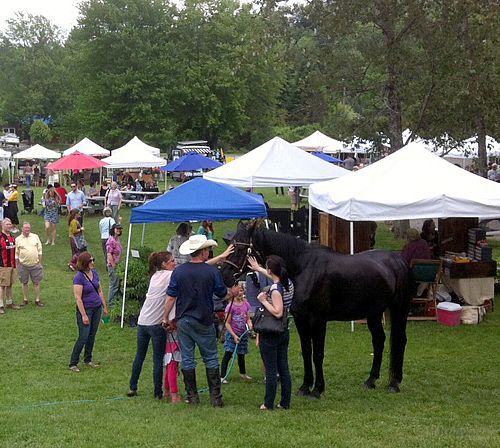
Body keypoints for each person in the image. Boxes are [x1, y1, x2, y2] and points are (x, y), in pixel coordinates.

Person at [162, 235, 228, 407]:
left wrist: (165, 317)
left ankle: (192, 397)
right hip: (204, 319)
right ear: (203, 252)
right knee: (211, 357)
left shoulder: (179, 271)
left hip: (184, 320)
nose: (209, 252)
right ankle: (216, 398)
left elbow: (170, 297)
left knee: (188, 358)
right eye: (208, 250)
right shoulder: (212, 272)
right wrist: (233, 292)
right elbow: (221, 293)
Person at [127, 251, 176, 400]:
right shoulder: (169, 275)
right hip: (155, 324)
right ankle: (157, 393)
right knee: (157, 359)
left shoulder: (155, 276)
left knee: (139, 356)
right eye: (172, 261)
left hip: (143, 322)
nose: (175, 263)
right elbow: (192, 269)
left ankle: (132, 387)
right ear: (164, 264)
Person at [248, 255, 293, 410]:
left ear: (270, 270)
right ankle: (285, 402)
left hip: (271, 332)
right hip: (283, 331)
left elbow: (278, 312)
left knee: (271, 370)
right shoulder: (288, 283)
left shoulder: (275, 289)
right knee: (284, 368)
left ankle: (268, 403)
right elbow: (273, 277)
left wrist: (263, 301)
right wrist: (258, 268)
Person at [69, 252, 108, 372]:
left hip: (97, 308)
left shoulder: (95, 274)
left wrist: (104, 306)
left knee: (92, 335)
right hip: (86, 309)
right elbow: (78, 298)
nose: (93, 262)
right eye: (90, 261)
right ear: (84, 263)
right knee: (83, 336)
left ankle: (88, 359)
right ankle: (73, 363)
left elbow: (100, 291)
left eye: (93, 260)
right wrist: (84, 315)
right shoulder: (79, 277)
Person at [220, 282, 253, 383]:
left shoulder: (246, 304)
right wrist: (233, 335)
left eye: (241, 290)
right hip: (232, 334)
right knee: (228, 354)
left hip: (243, 334)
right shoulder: (230, 306)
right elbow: (227, 323)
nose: (240, 293)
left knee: (241, 354)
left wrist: (250, 324)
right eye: (238, 291)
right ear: (233, 293)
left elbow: (248, 318)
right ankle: (222, 376)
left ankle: (243, 373)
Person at [15, 222, 44, 307]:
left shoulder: (35, 237)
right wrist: (17, 264)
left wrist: (39, 262)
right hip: (23, 265)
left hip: (35, 264)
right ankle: (25, 299)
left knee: (37, 282)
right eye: (25, 228)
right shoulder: (18, 239)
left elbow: (40, 250)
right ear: (22, 229)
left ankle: (37, 300)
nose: (27, 230)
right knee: (24, 282)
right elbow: (16, 253)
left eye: (28, 228)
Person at [0, 218, 20, 315]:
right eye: (7, 224)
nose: (9, 226)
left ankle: (9, 303)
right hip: (3, 266)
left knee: (10, 285)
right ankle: (1, 305)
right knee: (2, 286)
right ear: (2, 226)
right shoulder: (0, 237)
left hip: (12, 266)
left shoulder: (12, 237)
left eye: (10, 224)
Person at [106, 223, 123, 306]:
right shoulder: (111, 240)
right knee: (113, 284)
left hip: (118, 264)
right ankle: (111, 302)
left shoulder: (117, 239)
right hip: (113, 265)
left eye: (120, 229)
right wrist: (113, 265)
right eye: (117, 229)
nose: (119, 230)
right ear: (113, 229)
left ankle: (116, 299)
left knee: (118, 283)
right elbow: (109, 254)